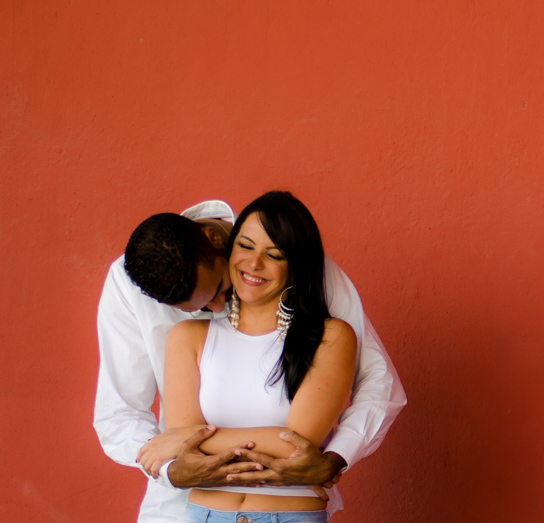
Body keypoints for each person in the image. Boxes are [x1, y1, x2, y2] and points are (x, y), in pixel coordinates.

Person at [94, 198, 406, 522]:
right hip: (180, 508)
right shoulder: (132, 286)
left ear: (216, 242)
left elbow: (376, 379)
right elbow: (119, 414)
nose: (217, 309)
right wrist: (174, 468)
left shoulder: (296, 256)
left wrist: (336, 456)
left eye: (218, 289)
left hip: (287, 505)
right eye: (195, 308)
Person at [165, 191, 355, 522]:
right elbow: (183, 447)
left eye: (275, 255)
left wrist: (197, 439)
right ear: (229, 247)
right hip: (205, 515)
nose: (254, 264)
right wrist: (185, 440)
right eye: (246, 246)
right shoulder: (188, 337)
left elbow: (296, 445)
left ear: (297, 265)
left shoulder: (330, 337)